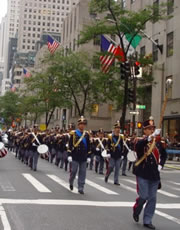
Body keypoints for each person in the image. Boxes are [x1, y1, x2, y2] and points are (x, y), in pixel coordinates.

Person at [133, 119, 167, 229]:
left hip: (154, 174)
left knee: (152, 198)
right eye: (149, 129)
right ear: (145, 131)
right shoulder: (141, 141)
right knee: (143, 196)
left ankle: (147, 220)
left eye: (152, 128)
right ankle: (136, 209)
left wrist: (160, 165)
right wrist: (150, 137)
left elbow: (164, 155)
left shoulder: (158, 142)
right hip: (143, 173)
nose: (151, 130)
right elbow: (138, 148)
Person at [68, 116, 91, 194]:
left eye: (84, 124)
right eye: (81, 124)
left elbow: (89, 146)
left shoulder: (87, 134)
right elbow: (70, 145)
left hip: (83, 156)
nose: (82, 125)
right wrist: (69, 155)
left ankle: (81, 187)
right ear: (78, 125)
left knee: (82, 172)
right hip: (75, 155)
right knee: (73, 171)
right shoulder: (74, 133)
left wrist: (89, 156)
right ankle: (71, 181)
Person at [105, 121, 124, 185]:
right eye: (117, 128)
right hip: (112, 154)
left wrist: (122, 154)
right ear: (114, 129)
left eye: (119, 128)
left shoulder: (121, 137)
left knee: (117, 168)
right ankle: (107, 175)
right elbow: (108, 145)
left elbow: (122, 146)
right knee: (111, 167)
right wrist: (108, 153)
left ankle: (116, 181)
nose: (118, 129)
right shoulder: (111, 137)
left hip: (118, 154)